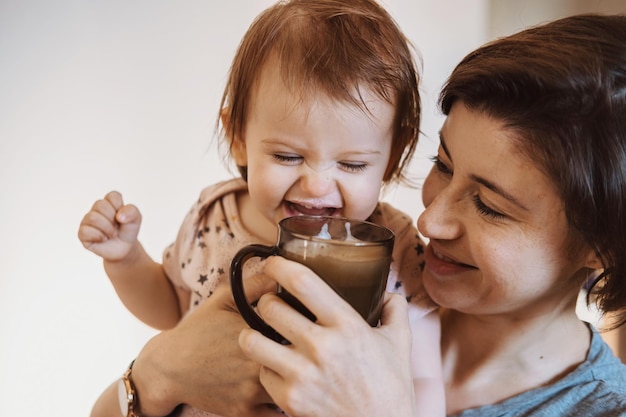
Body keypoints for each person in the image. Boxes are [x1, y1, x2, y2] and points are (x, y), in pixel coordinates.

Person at [237, 13, 626, 416]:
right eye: (442, 164)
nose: (428, 222)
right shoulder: (358, 291)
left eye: (489, 207)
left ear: (603, 246)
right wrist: (166, 371)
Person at [80, 1, 442, 416]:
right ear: (237, 136)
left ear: (392, 157)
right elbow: (170, 311)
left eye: (352, 164)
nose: (317, 185)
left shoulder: (396, 249)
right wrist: (126, 260)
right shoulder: (213, 215)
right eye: (288, 156)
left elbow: (423, 379)